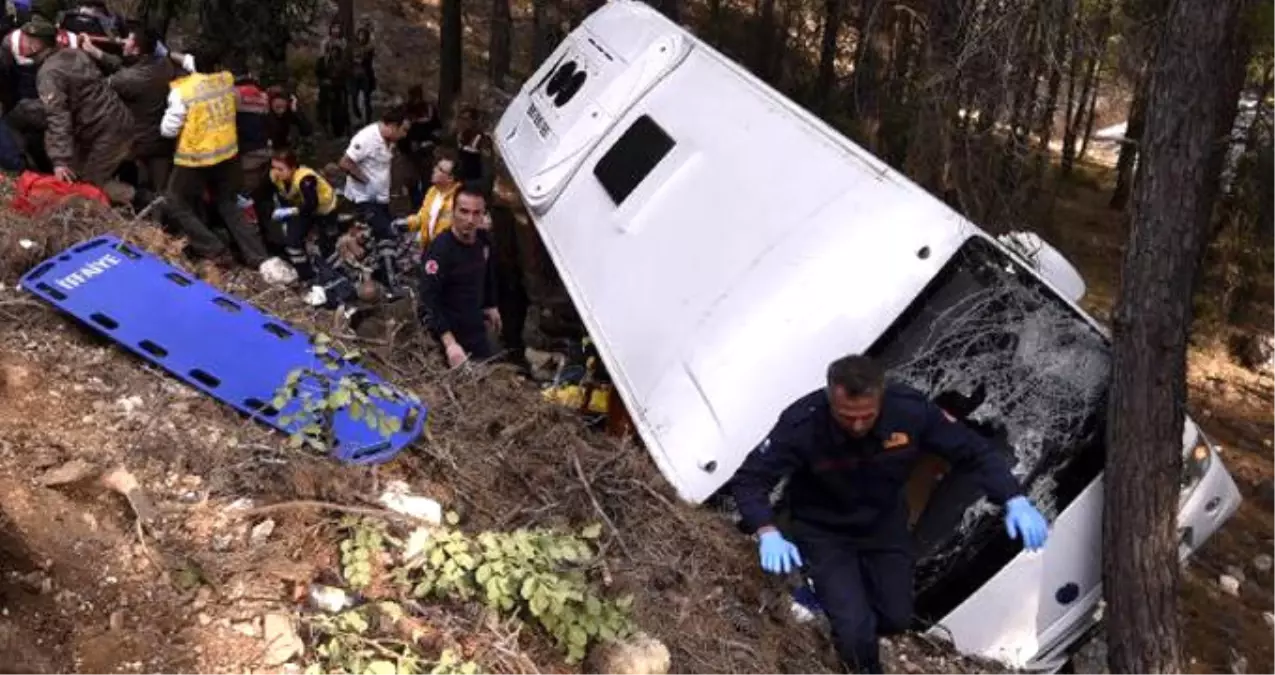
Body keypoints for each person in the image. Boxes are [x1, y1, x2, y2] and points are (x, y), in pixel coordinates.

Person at [728, 355, 1050, 675]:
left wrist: (1014, 498)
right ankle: (857, 653)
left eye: (866, 416)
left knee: (895, 617)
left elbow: (973, 452)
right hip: (824, 530)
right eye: (846, 416)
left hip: (884, 525)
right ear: (830, 398)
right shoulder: (802, 423)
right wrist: (767, 530)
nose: (857, 425)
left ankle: (840, 611)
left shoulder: (909, 410)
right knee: (855, 629)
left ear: (881, 397)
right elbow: (750, 480)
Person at [160, 42, 271, 273]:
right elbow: (196, 63)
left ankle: (214, 250)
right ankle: (259, 257)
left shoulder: (183, 91)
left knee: (175, 201)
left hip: (194, 160)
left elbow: (168, 130)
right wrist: (169, 53)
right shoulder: (226, 80)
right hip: (227, 157)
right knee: (228, 203)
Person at [23, 15, 132, 185]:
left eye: (25, 40)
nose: (21, 43)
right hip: (111, 120)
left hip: (105, 130)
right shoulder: (73, 54)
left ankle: (143, 199)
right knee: (79, 174)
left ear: (35, 45)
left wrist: (60, 161)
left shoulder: (49, 74)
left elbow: (58, 115)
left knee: (90, 186)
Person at [80, 24, 179, 199]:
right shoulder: (163, 64)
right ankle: (161, 220)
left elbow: (105, 84)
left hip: (138, 140)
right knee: (163, 192)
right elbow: (126, 69)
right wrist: (95, 51)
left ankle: (135, 198)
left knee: (93, 176)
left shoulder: (131, 79)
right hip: (162, 139)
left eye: (128, 40)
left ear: (136, 50)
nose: (123, 42)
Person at [417, 182, 500, 368]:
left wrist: (490, 304)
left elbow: (487, 272)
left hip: (475, 329)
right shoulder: (440, 250)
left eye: (476, 213)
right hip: (446, 335)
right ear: (453, 211)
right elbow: (428, 300)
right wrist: (449, 343)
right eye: (464, 212)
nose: (470, 220)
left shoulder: (483, 241)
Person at [338, 105, 409, 291]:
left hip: (381, 198)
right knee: (386, 234)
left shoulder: (390, 141)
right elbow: (345, 162)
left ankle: (369, 272)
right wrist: (365, 181)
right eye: (403, 130)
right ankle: (389, 282)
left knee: (374, 237)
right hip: (364, 199)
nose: (405, 135)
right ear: (393, 126)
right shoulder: (367, 138)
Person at [268, 148, 339, 284]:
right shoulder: (275, 176)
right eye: (274, 168)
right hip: (301, 208)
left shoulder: (305, 179)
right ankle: (307, 275)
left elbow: (312, 204)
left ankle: (336, 273)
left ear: (293, 168)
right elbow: (279, 193)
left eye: (281, 169)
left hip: (324, 210)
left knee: (327, 244)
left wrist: (289, 212)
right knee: (292, 240)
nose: (276, 172)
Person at [396, 151, 459, 247]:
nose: (434, 170)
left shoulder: (458, 198)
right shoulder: (432, 192)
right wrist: (407, 223)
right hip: (429, 248)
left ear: (450, 178)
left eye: (440, 169)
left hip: (447, 250)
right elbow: (422, 217)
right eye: (436, 167)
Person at [265, 86, 311, 150]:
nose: (279, 104)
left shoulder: (291, 115)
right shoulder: (265, 116)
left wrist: (296, 112)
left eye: (282, 101)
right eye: (275, 102)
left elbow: (307, 130)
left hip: (288, 151)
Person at [350, 24, 375, 123]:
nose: (361, 37)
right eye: (360, 35)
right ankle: (358, 116)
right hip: (355, 76)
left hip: (365, 75)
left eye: (363, 35)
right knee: (354, 98)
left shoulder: (369, 47)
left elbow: (367, 60)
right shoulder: (354, 47)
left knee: (367, 99)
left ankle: (367, 119)